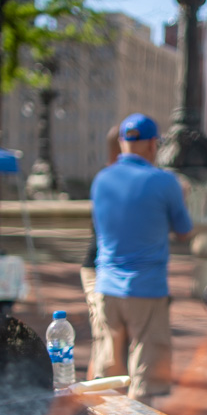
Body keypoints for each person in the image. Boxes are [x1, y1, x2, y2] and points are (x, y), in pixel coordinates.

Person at [91, 114, 194, 404]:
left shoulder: (101, 180)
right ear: (152, 145)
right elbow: (184, 231)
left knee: (108, 377)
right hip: (147, 289)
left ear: (122, 142)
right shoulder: (164, 182)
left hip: (107, 287)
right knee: (146, 382)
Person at [81, 124, 122, 380]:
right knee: (103, 334)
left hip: (108, 269)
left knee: (110, 337)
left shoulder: (115, 178)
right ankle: (91, 401)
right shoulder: (110, 181)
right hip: (98, 268)